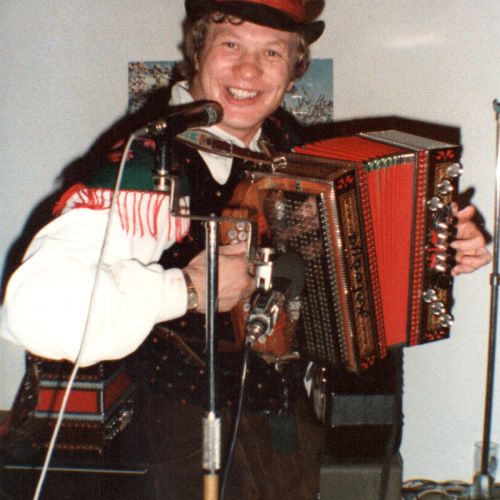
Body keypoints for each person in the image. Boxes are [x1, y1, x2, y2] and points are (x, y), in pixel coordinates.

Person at [0, 1, 492, 499]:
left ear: (294, 71)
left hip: (283, 432)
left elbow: (339, 268)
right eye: (231, 44)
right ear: (197, 52)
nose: (249, 69)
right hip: (174, 440)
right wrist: (189, 288)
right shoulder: (152, 164)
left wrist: (435, 250)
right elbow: (34, 309)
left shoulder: (284, 146)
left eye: (272, 52)